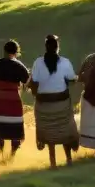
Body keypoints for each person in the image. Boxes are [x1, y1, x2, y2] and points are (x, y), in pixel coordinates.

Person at [29, 34, 79, 169]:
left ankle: (53, 162)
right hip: (61, 104)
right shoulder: (65, 62)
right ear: (58, 48)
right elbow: (72, 79)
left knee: (50, 133)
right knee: (65, 130)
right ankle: (69, 160)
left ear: (46, 47)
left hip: (44, 105)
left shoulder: (37, 63)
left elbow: (33, 82)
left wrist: (37, 96)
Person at [0, 40, 29, 160]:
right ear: (16, 52)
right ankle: (12, 156)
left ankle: (0, 153)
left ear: (4, 51)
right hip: (13, 100)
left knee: (0, 126)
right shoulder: (19, 66)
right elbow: (27, 81)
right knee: (14, 127)